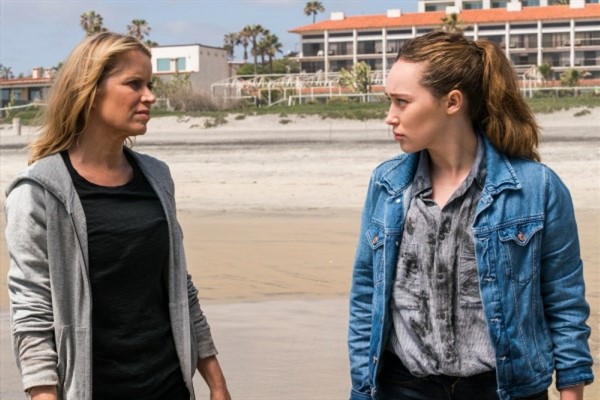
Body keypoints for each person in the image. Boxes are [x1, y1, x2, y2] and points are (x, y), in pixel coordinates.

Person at [348, 31, 593, 400]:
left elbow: (564, 299)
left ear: (452, 102)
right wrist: (361, 389)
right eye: (389, 102)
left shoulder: (537, 188)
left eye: (402, 102)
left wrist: (571, 391)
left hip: (505, 389)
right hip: (402, 387)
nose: (390, 117)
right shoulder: (387, 184)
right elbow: (366, 296)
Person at [5, 32, 231, 400]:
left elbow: (180, 287)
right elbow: (32, 314)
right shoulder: (38, 192)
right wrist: (43, 395)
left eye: (150, 84)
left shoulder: (157, 178)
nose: (150, 96)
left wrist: (217, 385)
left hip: (170, 388)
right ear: (90, 91)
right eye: (134, 84)